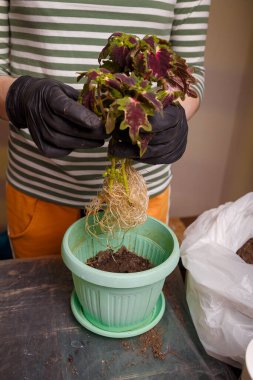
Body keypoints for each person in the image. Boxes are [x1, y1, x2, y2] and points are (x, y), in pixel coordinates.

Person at [0, 0, 211, 258]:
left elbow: (190, 72)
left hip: (137, 195)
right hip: (40, 186)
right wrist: (21, 98)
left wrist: (176, 112)